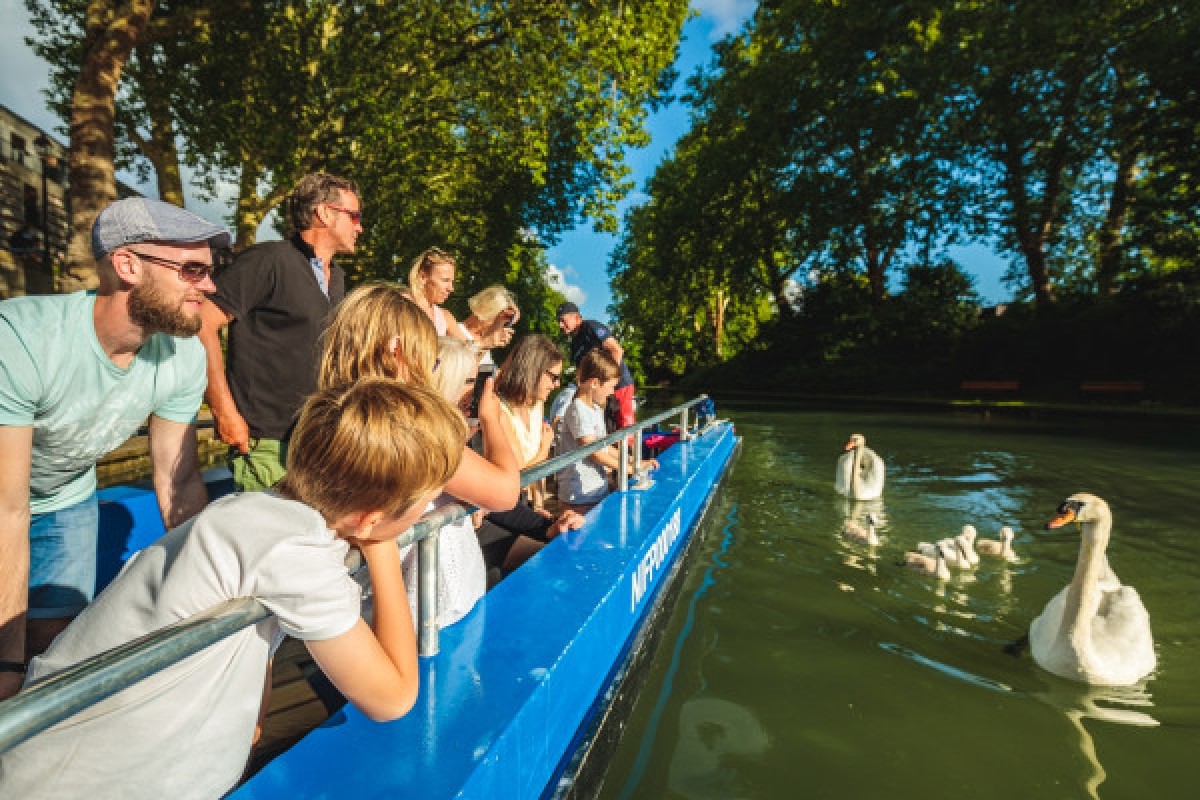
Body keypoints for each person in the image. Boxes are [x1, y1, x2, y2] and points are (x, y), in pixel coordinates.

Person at [0, 379, 465, 799]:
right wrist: (382, 551)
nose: (427, 513)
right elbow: (391, 698)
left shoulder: (266, 514)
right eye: (425, 503)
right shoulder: (294, 548)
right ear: (370, 518)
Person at [0, 197, 229, 700]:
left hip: (65, 499)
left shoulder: (184, 355)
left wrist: (214, 596)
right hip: (6, 503)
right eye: (192, 270)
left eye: (211, 271)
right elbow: (8, 508)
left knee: (55, 641)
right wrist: (6, 664)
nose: (209, 286)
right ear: (127, 265)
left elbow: (179, 480)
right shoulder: (22, 338)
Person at [198, 172, 360, 492]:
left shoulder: (338, 278)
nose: (360, 226)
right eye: (354, 216)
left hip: (318, 443)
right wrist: (224, 410)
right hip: (266, 444)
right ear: (325, 213)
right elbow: (201, 323)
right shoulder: (268, 259)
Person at [316, 284, 521, 514]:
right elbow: (505, 493)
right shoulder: (407, 430)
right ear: (396, 352)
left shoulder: (324, 416)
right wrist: (491, 419)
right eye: (427, 353)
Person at [399, 336, 489, 629]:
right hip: (428, 609)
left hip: (454, 596)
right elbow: (504, 493)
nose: (474, 392)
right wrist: (492, 421)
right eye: (469, 381)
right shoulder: (432, 442)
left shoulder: (448, 438)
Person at [481, 334, 585, 575]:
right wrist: (545, 448)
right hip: (496, 514)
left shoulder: (536, 404)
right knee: (551, 560)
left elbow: (534, 471)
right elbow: (515, 473)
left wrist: (538, 504)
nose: (557, 384)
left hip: (521, 505)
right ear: (533, 370)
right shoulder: (500, 411)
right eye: (554, 377)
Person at [557, 350, 657, 514]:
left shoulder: (595, 409)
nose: (612, 392)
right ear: (594, 383)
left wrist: (636, 462)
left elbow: (605, 448)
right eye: (611, 387)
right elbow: (593, 452)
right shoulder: (578, 410)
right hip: (579, 496)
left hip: (596, 491)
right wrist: (630, 470)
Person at [555, 301, 637, 430]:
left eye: (562, 320)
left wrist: (608, 381)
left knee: (625, 427)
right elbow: (580, 373)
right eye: (558, 321)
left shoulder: (591, 327)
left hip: (620, 385)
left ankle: (630, 449)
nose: (560, 325)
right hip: (598, 391)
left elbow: (617, 350)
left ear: (576, 317)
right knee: (605, 428)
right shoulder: (574, 343)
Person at [407, 247, 468, 340]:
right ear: (423, 277)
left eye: (452, 282)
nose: (451, 288)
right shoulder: (399, 307)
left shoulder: (444, 317)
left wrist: (489, 339)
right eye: (445, 280)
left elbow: (469, 350)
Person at [459, 284, 519, 365]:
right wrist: (485, 344)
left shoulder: (484, 340)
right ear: (487, 312)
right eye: (500, 317)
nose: (501, 325)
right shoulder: (455, 330)